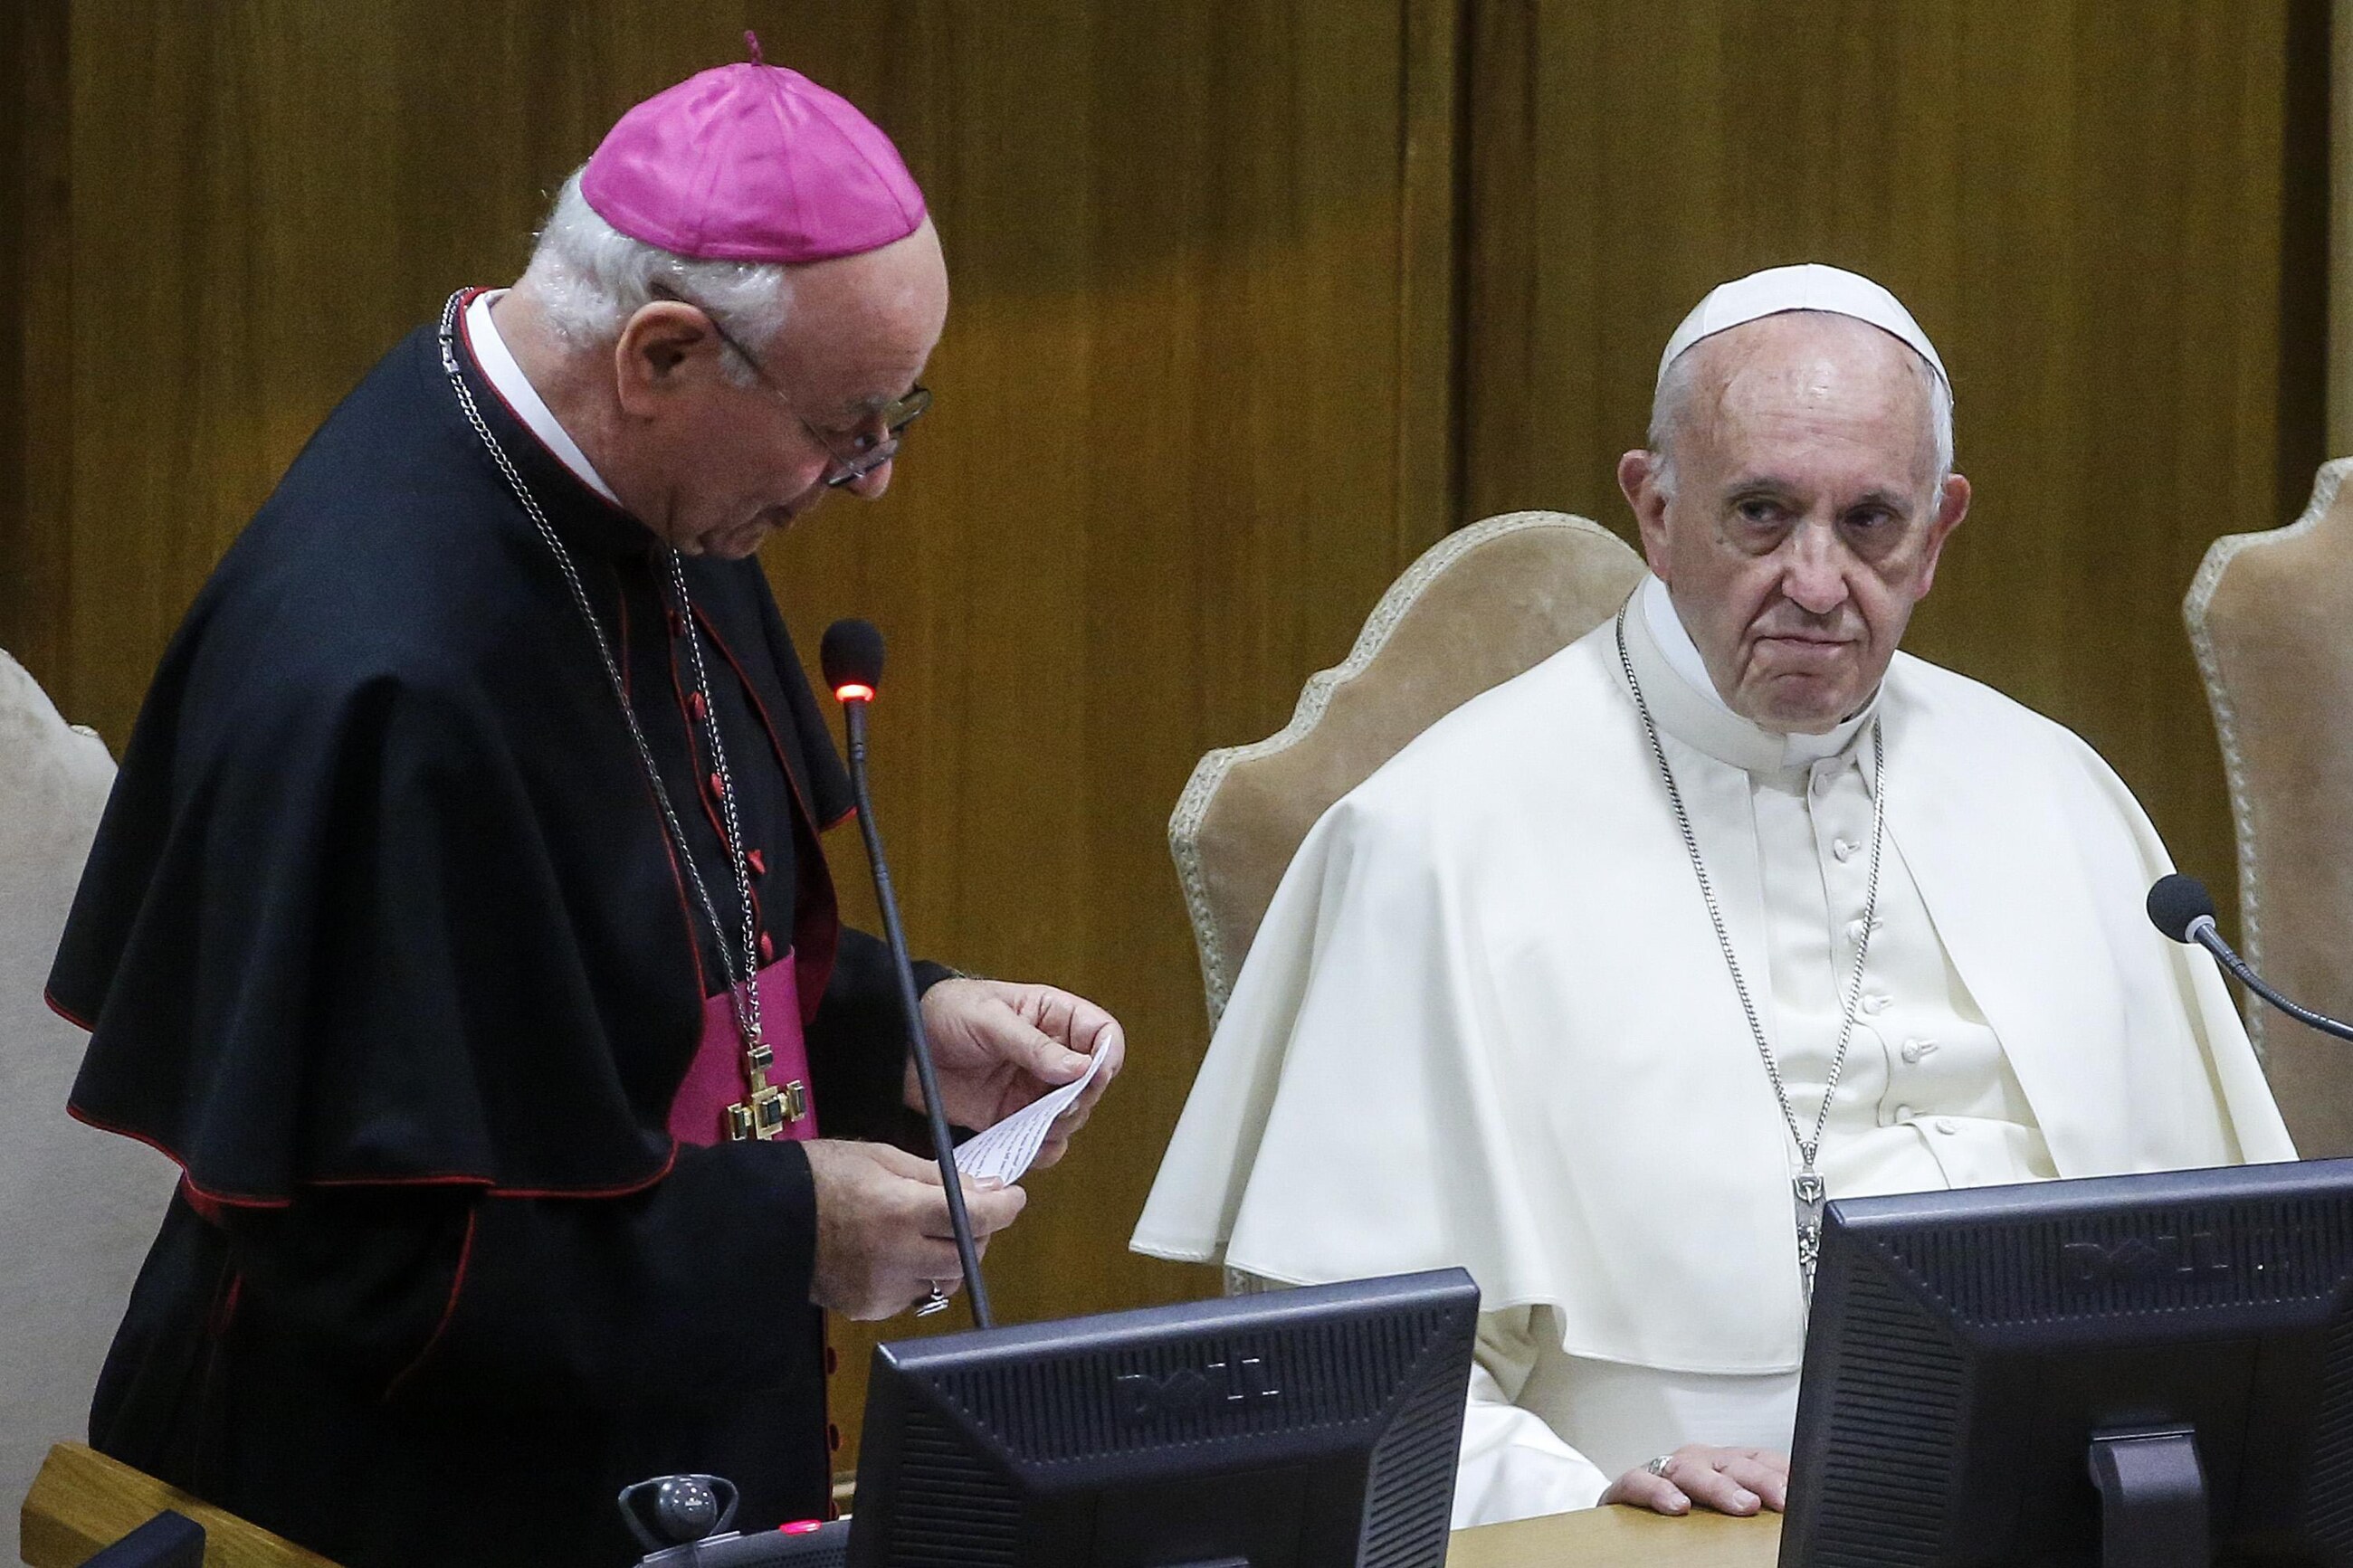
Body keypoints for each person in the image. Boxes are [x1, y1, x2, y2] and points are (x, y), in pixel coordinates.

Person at [47, 50, 1121, 1568]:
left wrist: (900, 1028)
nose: (869, 481)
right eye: (849, 428)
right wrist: (784, 1238)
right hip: (387, 1504)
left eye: (897, 419)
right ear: (664, 353)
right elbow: (371, 1261)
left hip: (652, 1446)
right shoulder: (380, 673)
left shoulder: (641, 487)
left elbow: (645, 941)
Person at [1130, 263, 2290, 1529]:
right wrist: (1591, 1493)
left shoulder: (2058, 795)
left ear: (1941, 530)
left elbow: (2236, 1303)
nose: (1814, 579)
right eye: (1760, 512)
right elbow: (1345, 1386)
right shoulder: (1437, 840)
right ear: (1655, 508)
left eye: (1869, 523)